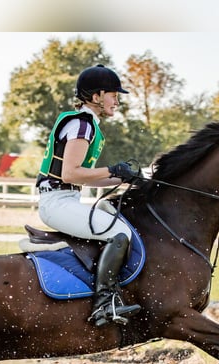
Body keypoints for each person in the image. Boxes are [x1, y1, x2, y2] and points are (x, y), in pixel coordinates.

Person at [35, 64, 143, 328]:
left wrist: (122, 177)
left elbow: (85, 177)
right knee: (118, 233)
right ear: (96, 97)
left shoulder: (87, 125)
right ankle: (105, 304)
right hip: (57, 201)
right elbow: (71, 173)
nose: (117, 100)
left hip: (67, 199)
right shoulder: (82, 125)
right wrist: (111, 170)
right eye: (113, 94)